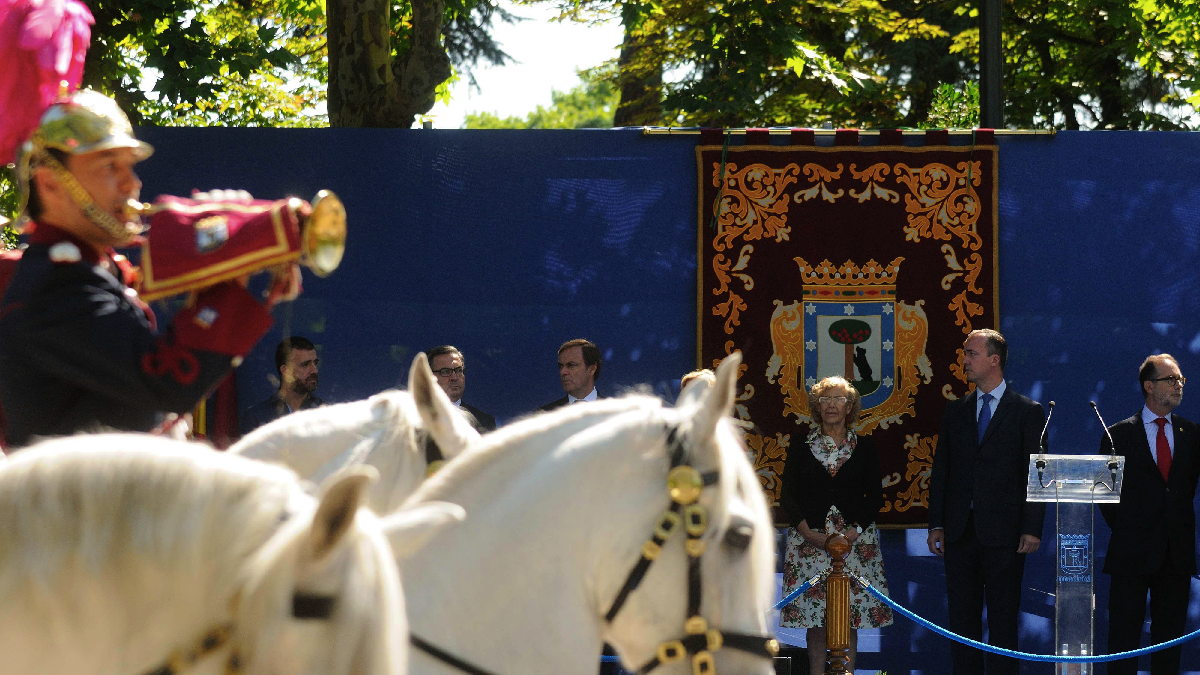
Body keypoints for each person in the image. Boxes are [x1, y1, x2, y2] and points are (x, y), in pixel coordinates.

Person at [0, 90, 285, 449]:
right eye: (109, 167)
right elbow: (167, 381)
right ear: (51, 183)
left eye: (130, 166)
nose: (131, 183)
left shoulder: (89, 271)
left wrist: (222, 264)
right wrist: (229, 280)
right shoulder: (55, 286)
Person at [927, 328, 1046, 674]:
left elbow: (1036, 475)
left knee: (1003, 623)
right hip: (960, 534)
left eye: (972, 354)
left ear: (994, 360)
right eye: (965, 354)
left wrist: (1032, 527)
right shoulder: (956, 411)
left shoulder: (1027, 411)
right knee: (962, 624)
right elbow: (942, 471)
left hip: (1006, 536)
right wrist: (937, 523)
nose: (964, 360)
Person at [778, 376, 892, 674]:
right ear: (816, 406)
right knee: (816, 620)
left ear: (850, 406)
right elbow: (787, 494)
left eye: (838, 399)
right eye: (825, 399)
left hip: (854, 543)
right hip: (809, 542)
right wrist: (806, 532)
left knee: (848, 616)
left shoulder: (865, 447)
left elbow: (875, 497)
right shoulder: (800, 445)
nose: (831, 405)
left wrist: (853, 532)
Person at [1100, 353, 1199, 675]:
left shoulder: (1192, 434)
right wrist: (1133, 530)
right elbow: (1105, 498)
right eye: (1171, 379)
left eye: (1181, 379)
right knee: (1123, 642)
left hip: (1177, 555)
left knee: (1168, 643)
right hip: (1131, 554)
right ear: (1148, 386)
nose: (1179, 385)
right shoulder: (1118, 435)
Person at [241, 336, 325, 434]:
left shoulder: (327, 414)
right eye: (305, 364)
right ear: (285, 370)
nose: (314, 370)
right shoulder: (256, 417)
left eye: (315, 363)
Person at [425, 345, 495, 432]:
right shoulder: (412, 417)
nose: (454, 378)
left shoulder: (485, 422)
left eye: (459, 370)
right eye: (445, 371)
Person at [539, 338, 602, 411]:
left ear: (592, 369)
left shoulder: (614, 414)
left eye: (571, 365)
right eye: (561, 366)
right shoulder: (544, 415)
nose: (563, 372)